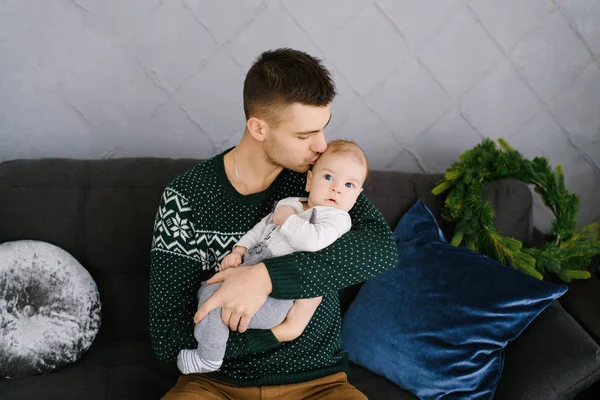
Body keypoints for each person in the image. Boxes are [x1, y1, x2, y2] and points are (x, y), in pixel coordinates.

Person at [150, 48, 398, 399]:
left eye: (323, 129)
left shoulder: (318, 180)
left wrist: (266, 278)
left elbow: (381, 249)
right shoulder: (187, 196)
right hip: (214, 382)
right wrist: (277, 333)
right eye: (304, 135)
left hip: (319, 383)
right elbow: (167, 338)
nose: (321, 145)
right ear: (258, 127)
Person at [176, 140, 369, 375]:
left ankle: (209, 357)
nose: (337, 189)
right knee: (207, 291)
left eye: (349, 185)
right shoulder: (290, 203)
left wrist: (287, 219)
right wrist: (240, 250)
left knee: (213, 307)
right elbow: (260, 229)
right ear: (309, 180)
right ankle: (213, 339)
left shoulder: (337, 219)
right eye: (328, 177)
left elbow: (312, 241)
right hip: (252, 262)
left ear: (357, 195)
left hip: (280, 295)